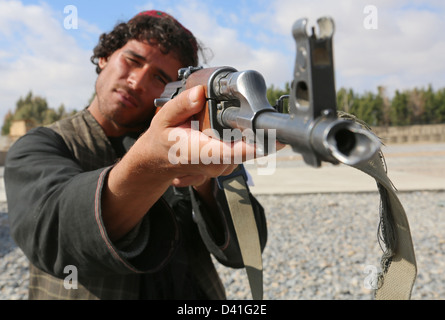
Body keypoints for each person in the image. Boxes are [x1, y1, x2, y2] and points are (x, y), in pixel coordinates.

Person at [5, 10, 267, 300]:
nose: (138, 82)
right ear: (105, 56)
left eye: (159, 77)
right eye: (132, 61)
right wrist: (155, 165)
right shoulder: (42, 145)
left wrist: (207, 180)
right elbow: (53, 235)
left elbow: (247, 248)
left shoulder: (197, 141)